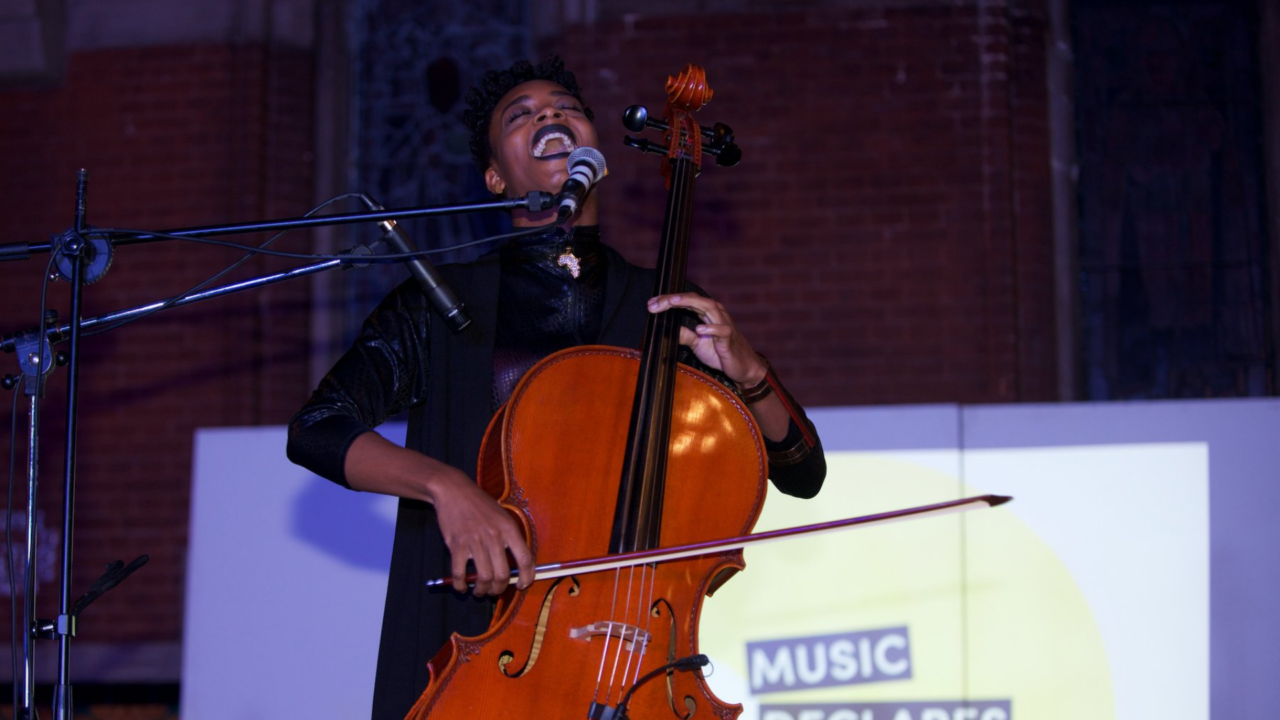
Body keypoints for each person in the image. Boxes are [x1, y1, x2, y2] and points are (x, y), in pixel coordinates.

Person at [287, 56, 825, 720]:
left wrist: (749, 373)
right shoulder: (439, 301)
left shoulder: (666, 307)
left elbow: (803, 472)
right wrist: (446, 487)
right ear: (494, 176)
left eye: (566, 106)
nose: (548, 113)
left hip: (642, 670)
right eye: (521, 114)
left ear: (596, 150)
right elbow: (318, 428)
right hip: (483, 651)